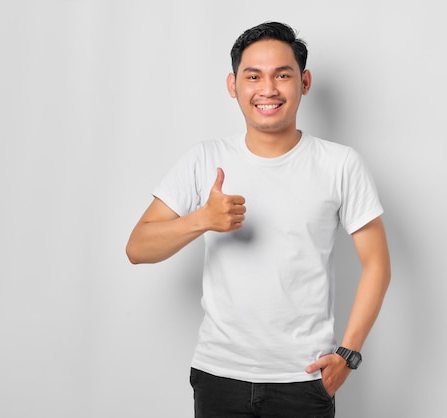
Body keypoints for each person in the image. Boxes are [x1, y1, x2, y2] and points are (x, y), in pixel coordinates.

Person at [126, 21, 391, 418]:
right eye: (253, 76)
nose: (267, 89)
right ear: (233, 85)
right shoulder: (204, 159)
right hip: (219, 376)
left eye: (282, 75)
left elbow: (377, 264)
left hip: (305, 378)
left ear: (304, 82)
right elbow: (137, 248)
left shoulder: (340, 164)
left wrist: (347, 354)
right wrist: (202, 219)